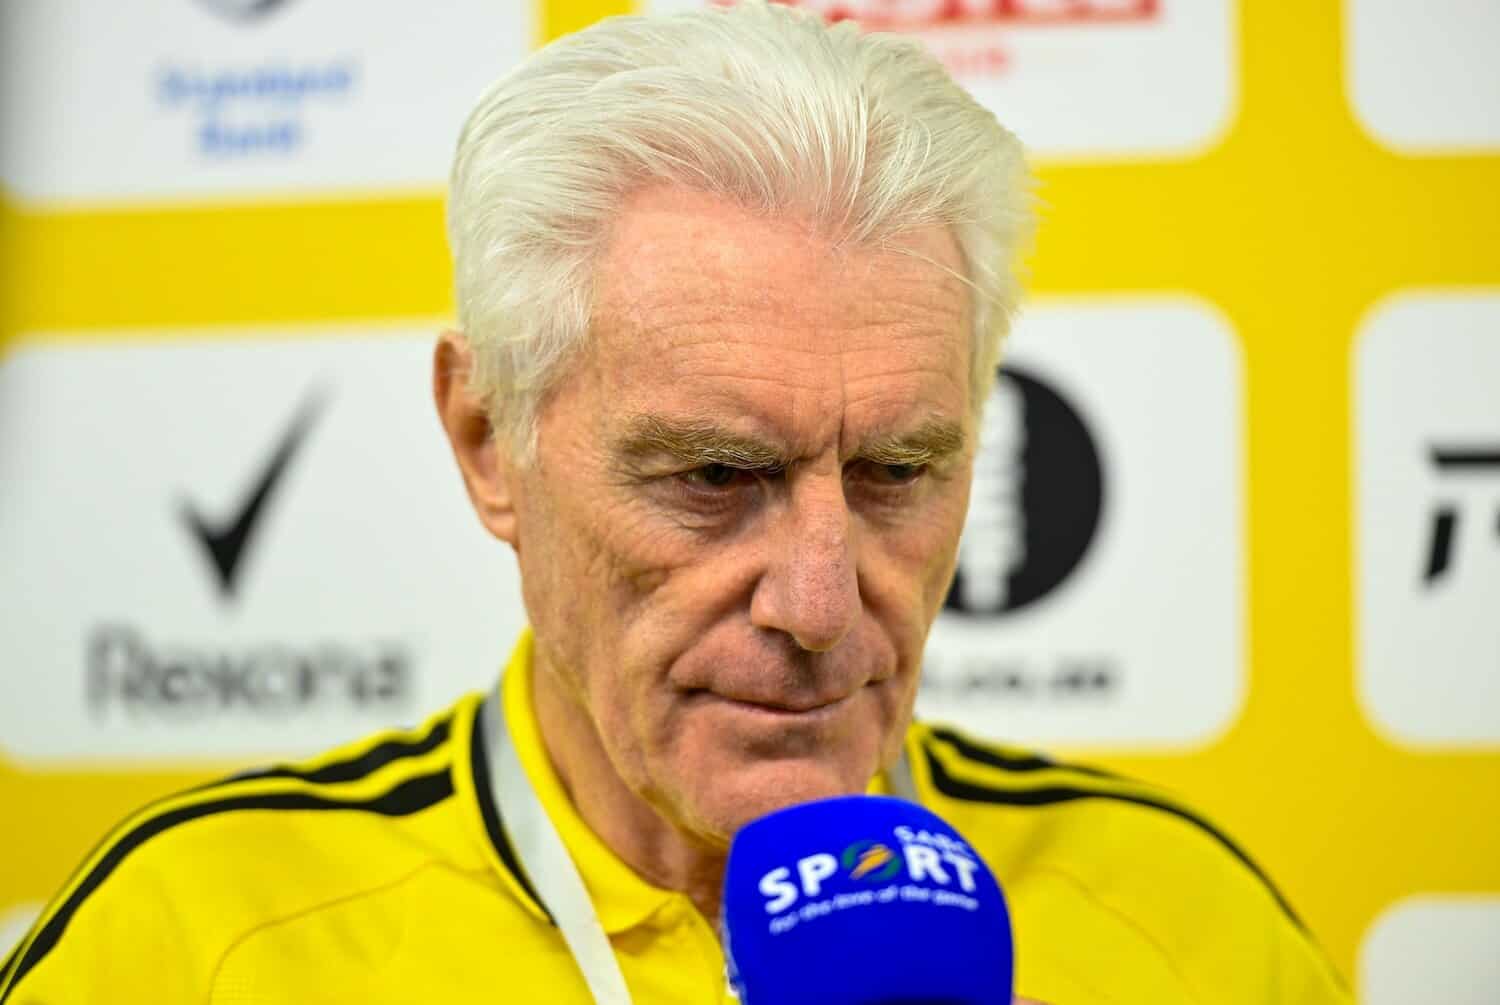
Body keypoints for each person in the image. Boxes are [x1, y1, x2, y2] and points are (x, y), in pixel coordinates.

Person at [1, 3, 1349, 1002]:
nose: (820, 604)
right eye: (714, 477)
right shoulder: (190, 943)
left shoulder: (1192, 928)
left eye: (896, 472)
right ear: (488, 439)